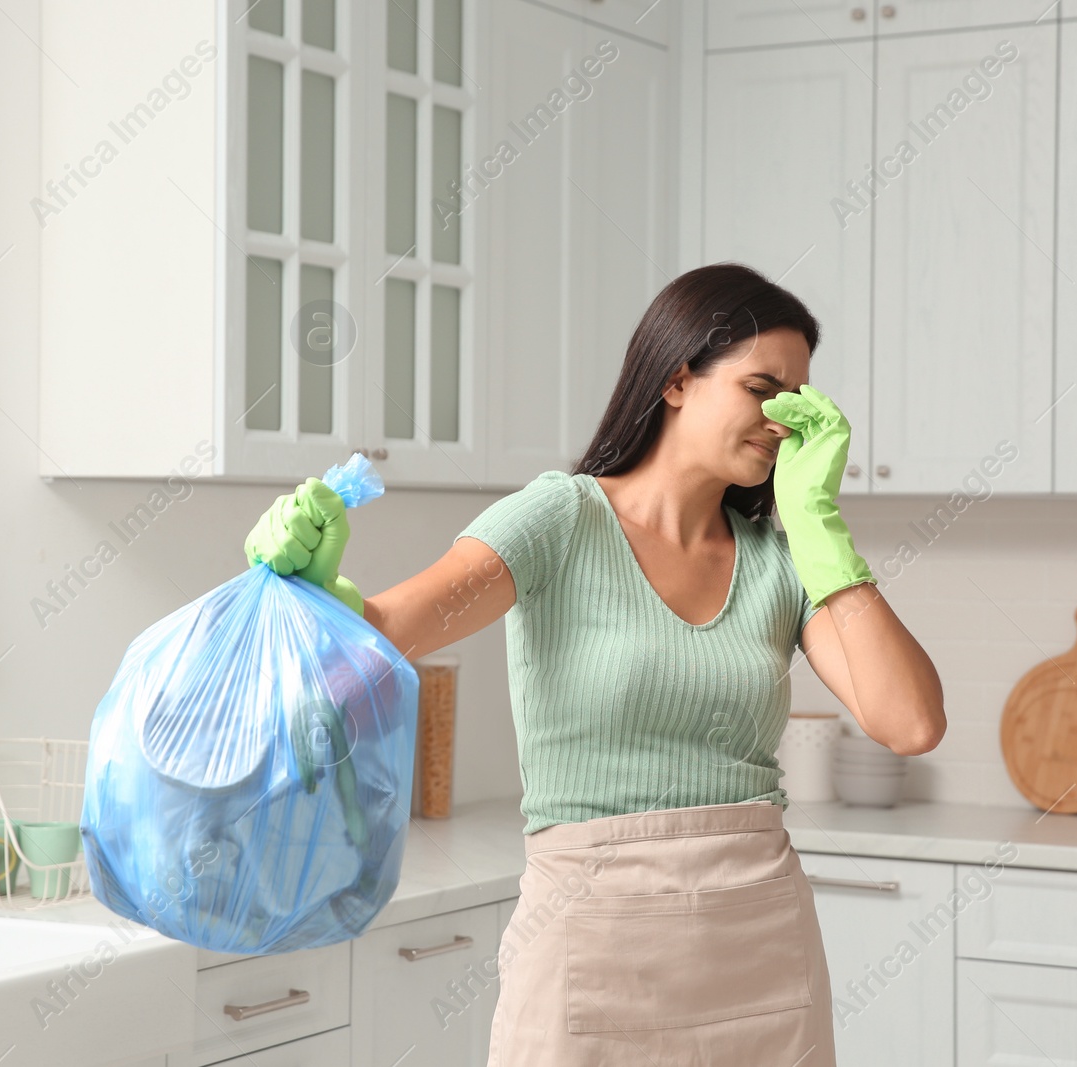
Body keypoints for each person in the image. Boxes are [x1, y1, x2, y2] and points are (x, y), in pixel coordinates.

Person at [244, 262, 945, 1065]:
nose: (782, 422)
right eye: (762, 389)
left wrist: (819, 527)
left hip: (761, 953)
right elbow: (386, 630)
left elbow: (910, 720)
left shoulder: (783, 563)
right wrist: (309, 583)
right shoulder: (561, 518)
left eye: (800, 402)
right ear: (678, 378)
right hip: (590, 949)